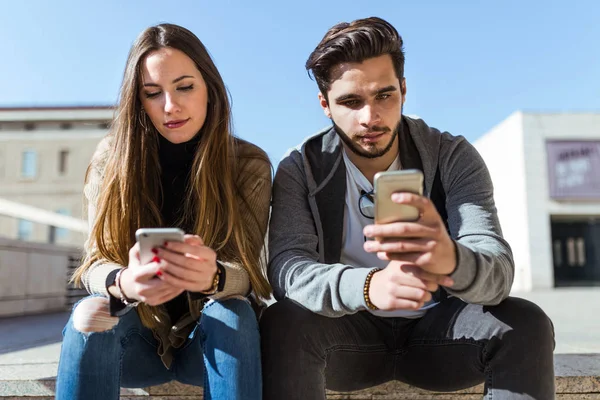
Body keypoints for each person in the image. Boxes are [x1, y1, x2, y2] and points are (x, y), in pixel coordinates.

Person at [261, 16, 555, 400]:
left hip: (439, 336)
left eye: (384, 95)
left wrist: (451, 259)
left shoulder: (452, 156)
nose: (371, 117)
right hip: (348, 339)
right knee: (282, 321)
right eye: (351, 102)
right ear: (325, 105)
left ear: (403, 89)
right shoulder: (301, 167)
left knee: (527, 321)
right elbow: (287, 271)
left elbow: (497, 271)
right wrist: (369, 287)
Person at [55, 23, 271, 400]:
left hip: (209, 346)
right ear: (138, 101)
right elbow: (93, 263)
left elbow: (250, 275)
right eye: (152, 94)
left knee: (233, 312)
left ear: (210, 89)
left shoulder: (247, 164)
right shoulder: (112, 158)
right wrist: (124, 282)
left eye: (185, 87)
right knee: (88, 315)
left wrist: (214, 277)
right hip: (135, 341)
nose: (170, 106)